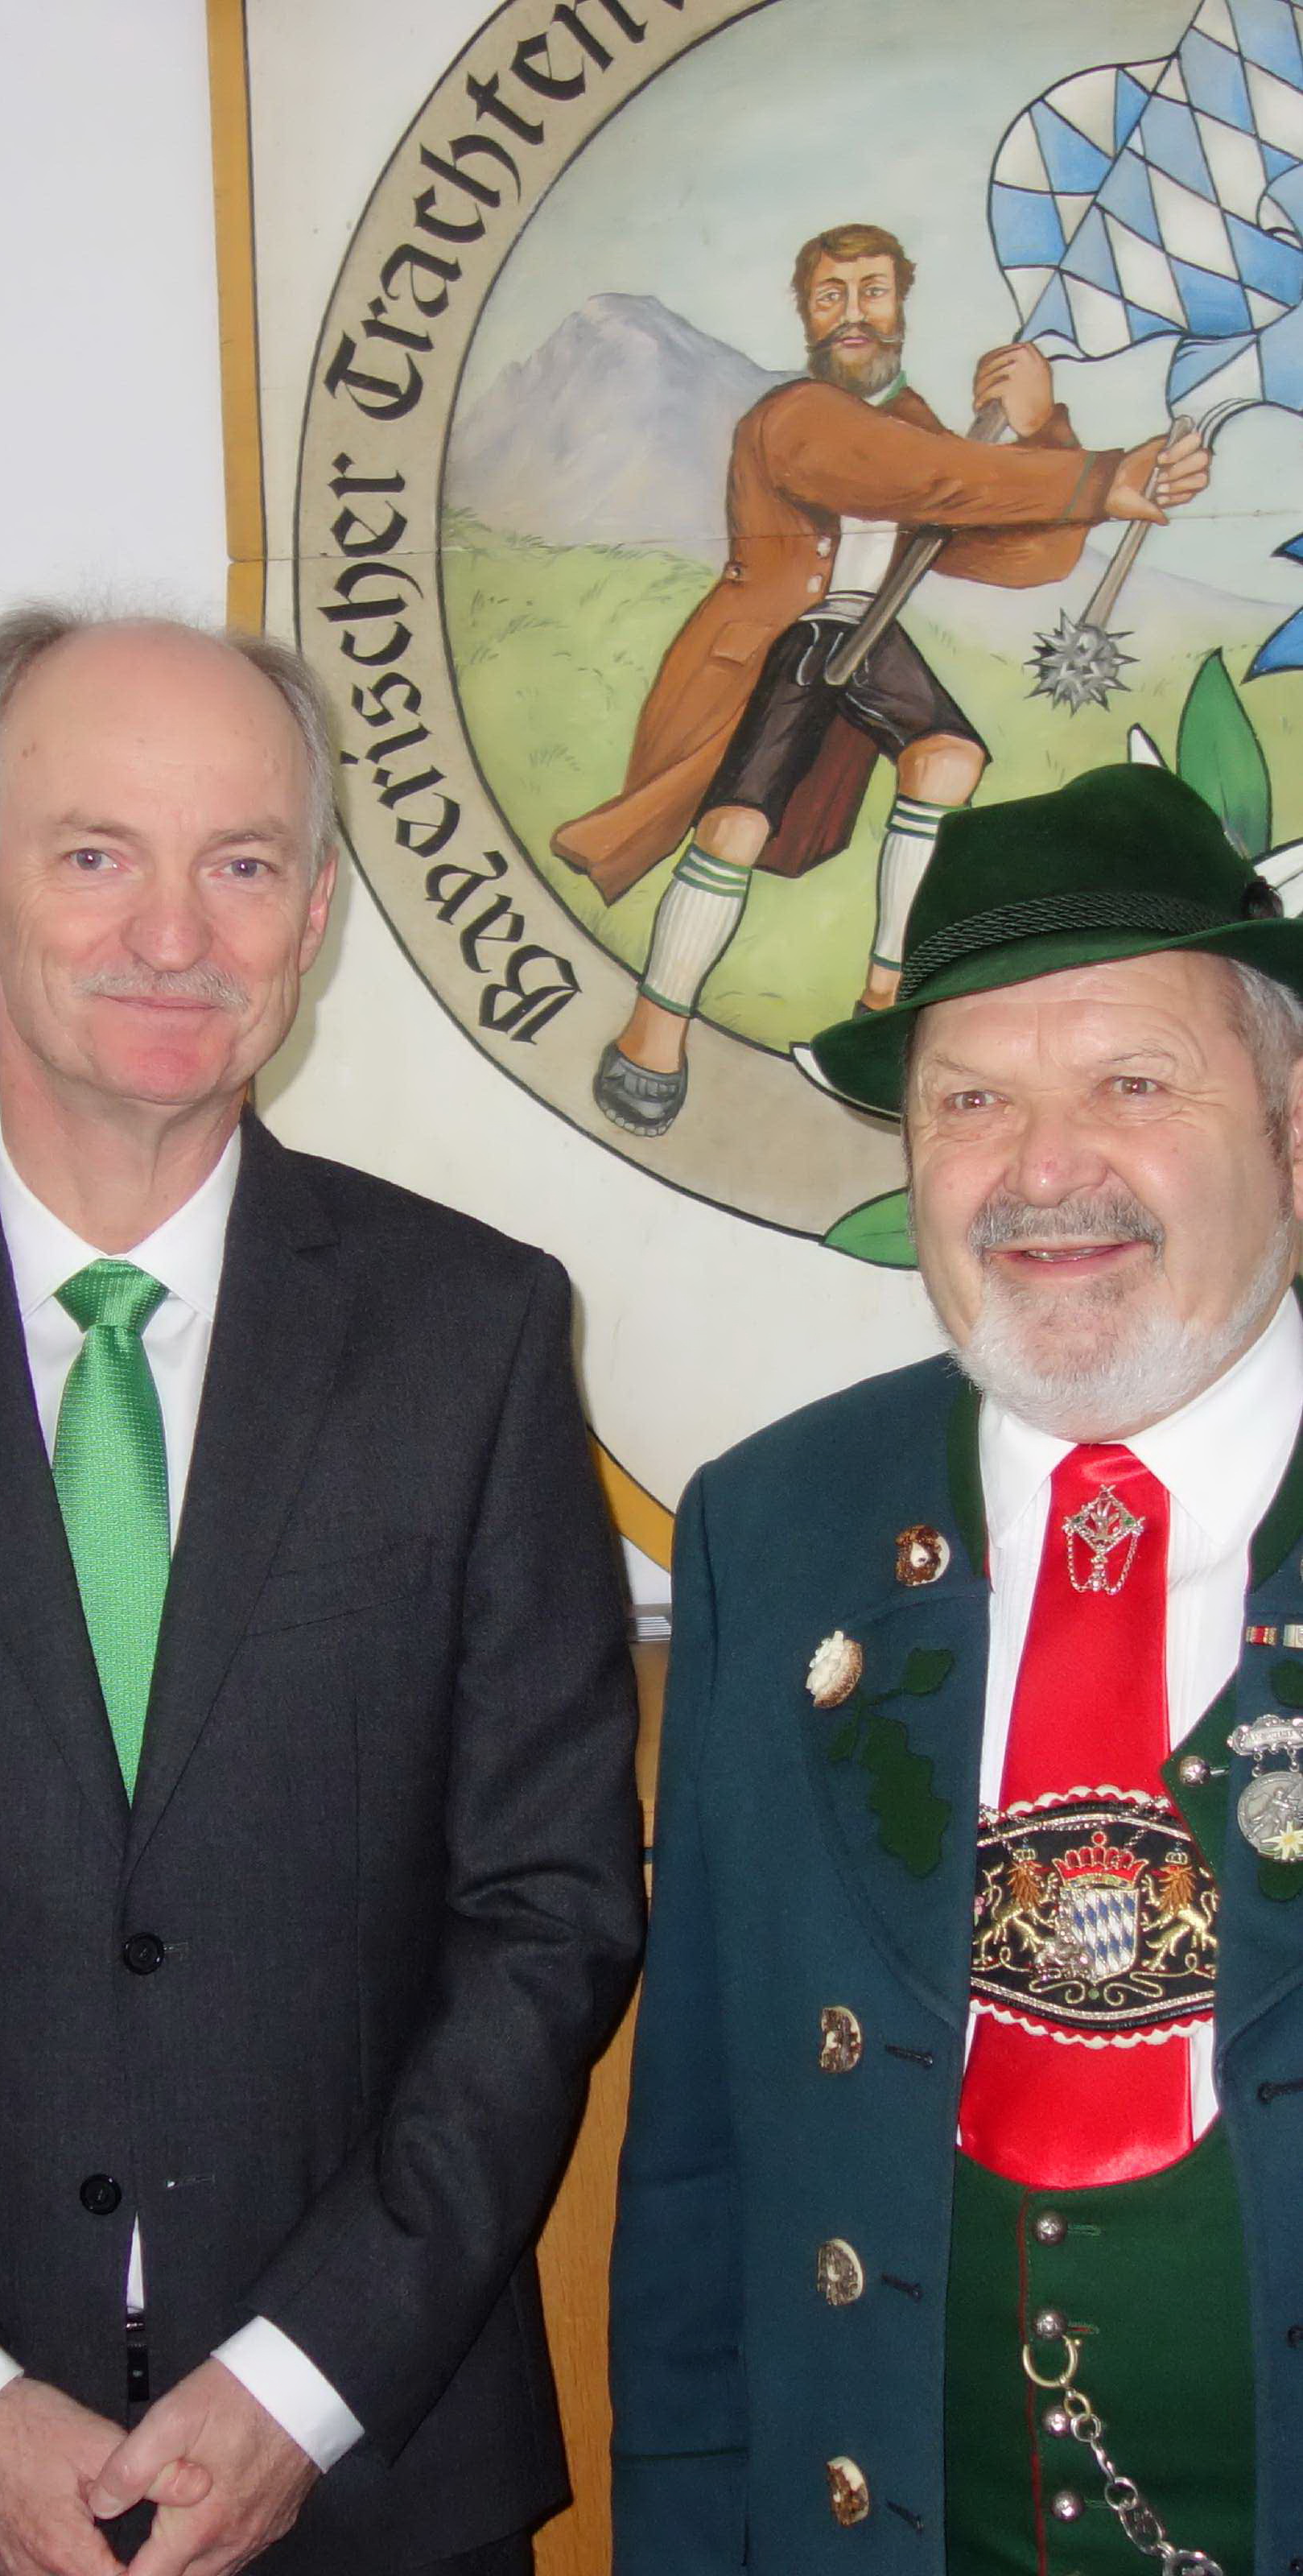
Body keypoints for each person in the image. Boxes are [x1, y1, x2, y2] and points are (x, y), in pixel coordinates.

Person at [0, 608, 644, 2576]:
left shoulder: (473, 1335)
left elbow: (548, 1914)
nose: (174, 934)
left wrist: (302, 2385)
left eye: (239, 863)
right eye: (95, 853)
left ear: (312, 913)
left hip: (374, 2484)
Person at [608, 762, 1303, 2570]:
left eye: (1131, 1084)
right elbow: (697, 2187)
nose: (1042, 1170)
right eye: (970, 1100)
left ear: (1292, 1126)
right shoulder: (774, 1530)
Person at [550, 223, 1210, 1139]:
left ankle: (887, 1003)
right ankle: (652, 1036)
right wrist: (1094, 477)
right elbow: (923, 478)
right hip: (782, 638)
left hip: (870, 631)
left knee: (947, 759)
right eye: (832, 296)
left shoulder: (923, 430)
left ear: (900, 304)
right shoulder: (800, 416)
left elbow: (1017, 553)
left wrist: (1042, 428)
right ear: (807, 316)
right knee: (735, 825)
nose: (854, 313)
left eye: (872, 291)